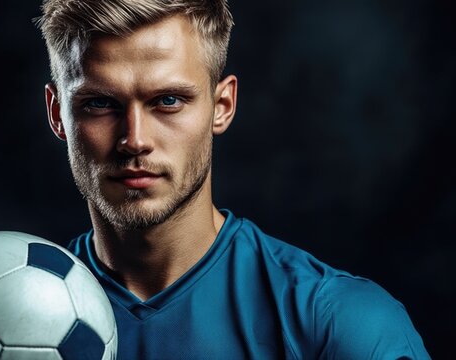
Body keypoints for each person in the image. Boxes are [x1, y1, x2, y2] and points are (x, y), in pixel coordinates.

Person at [35, 0, 429, 358]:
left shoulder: (338, 324)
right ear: (57, 114)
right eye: (100, 104)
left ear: (222, 106)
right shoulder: (14, 316)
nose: (135, 140)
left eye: (168, 101)